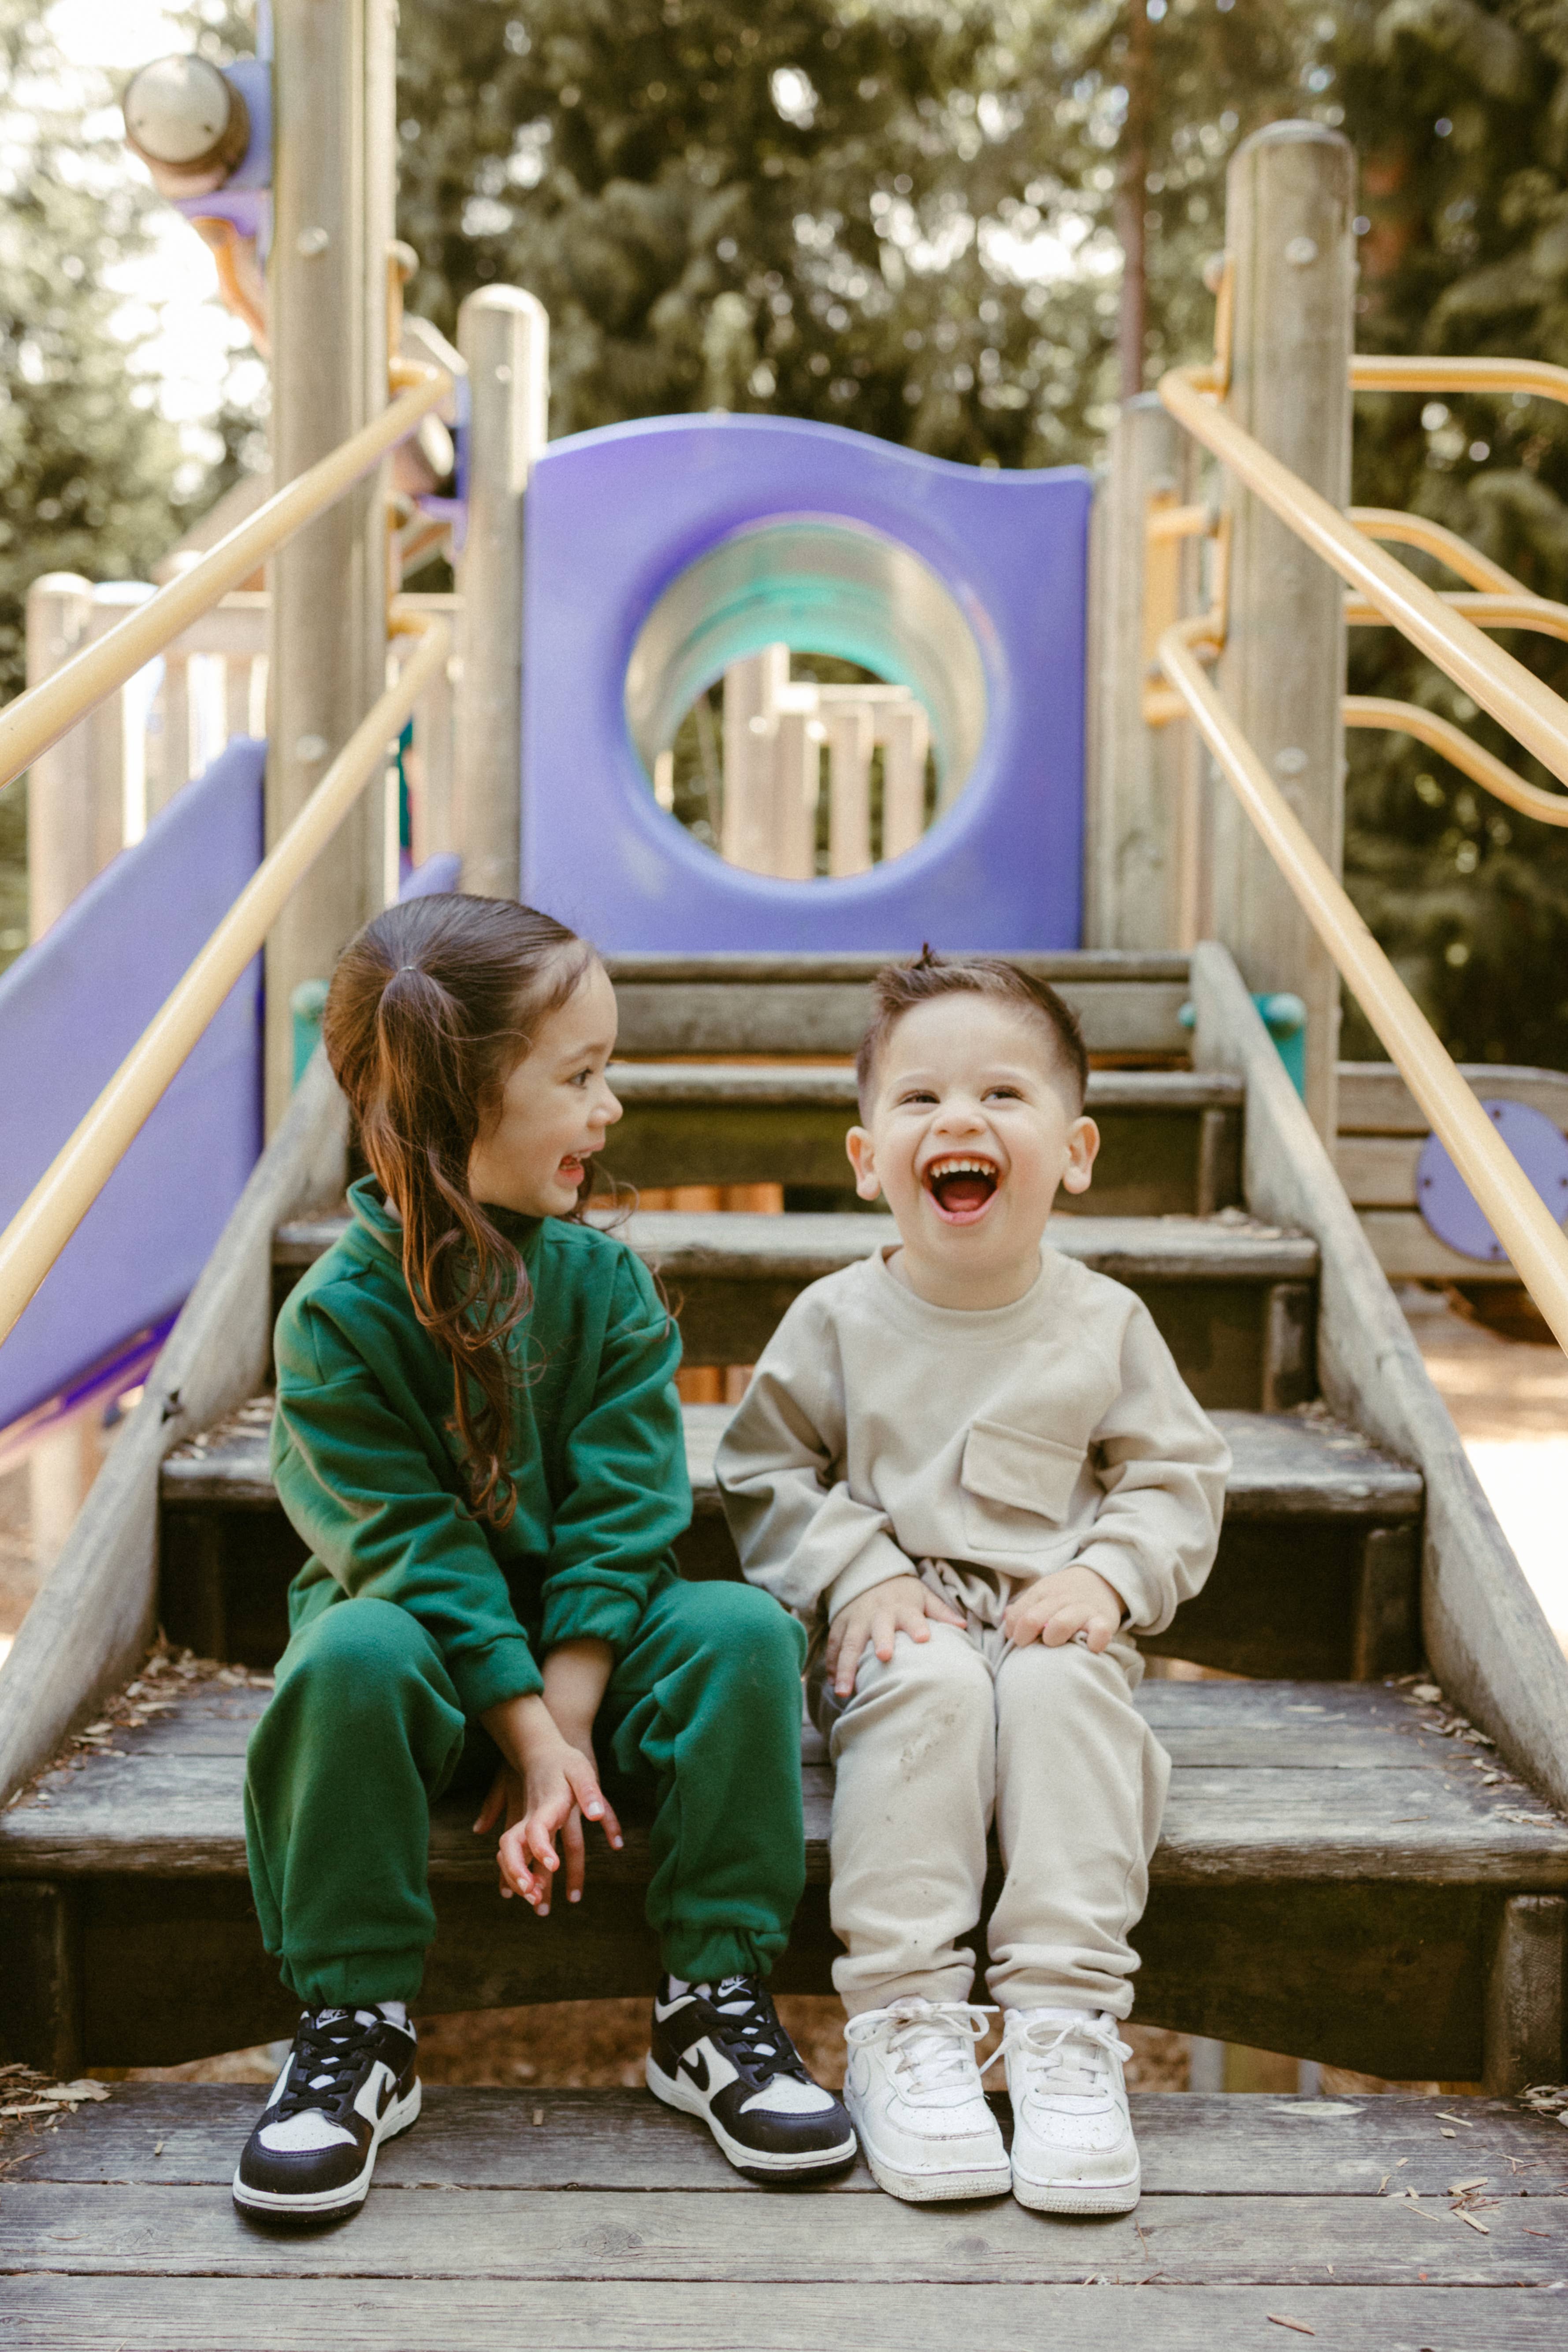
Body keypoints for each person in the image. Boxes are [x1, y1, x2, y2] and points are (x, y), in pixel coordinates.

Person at [234, 894, 853, 2220]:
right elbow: (409, 1551)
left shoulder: (606, 1288)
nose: (610, 1108)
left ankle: (710, 1999)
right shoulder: (334, 1324)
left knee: (742, 1632)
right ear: (458, 1105)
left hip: (599, 1663)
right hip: (424, 1681)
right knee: (346, 1655)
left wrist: (565, 1726)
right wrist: (523, 1735)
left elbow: (629, 1511)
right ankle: (355, 2024)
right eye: (579, 1077)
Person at [716, 949, 1229, 2215]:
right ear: (865, 1158)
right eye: (921, 1098)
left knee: (1064, 1696)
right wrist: (857, 1570)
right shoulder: (837, 1319)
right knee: (928, 1685)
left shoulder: (1104, 1322)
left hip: (1056, 1620)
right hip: (899, 1626)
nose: (960, 1118)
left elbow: (1175, 1477)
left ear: (1076, 1151)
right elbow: (764, 1468)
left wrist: (1109, 1575)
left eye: (1004, 1094)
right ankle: (905, 2023)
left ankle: (1064, 2022)